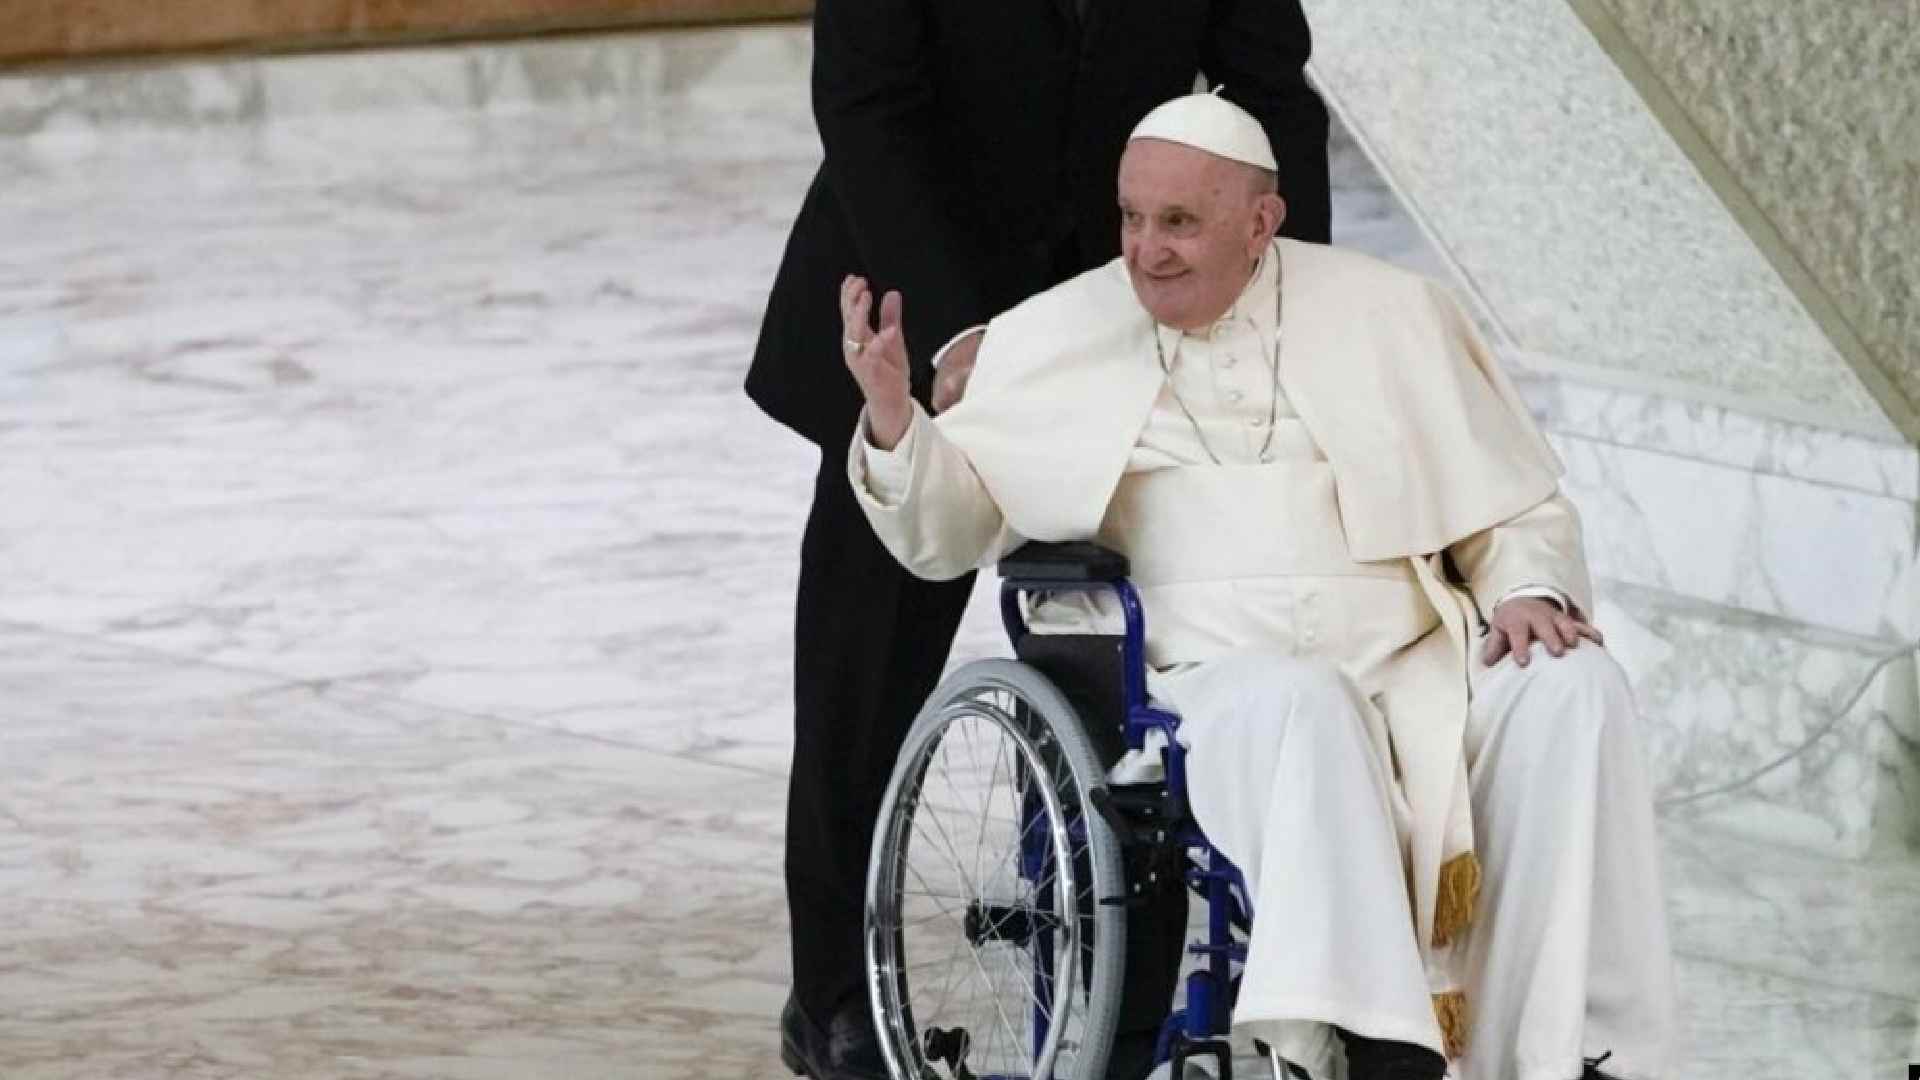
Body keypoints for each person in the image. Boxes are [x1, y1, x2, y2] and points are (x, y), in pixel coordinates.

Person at [840, 93, 1677, 1080]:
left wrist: (1528, 588)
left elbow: (1511, 511)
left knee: (1574, 688)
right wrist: (898, 423)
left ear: (1262, 223)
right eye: (1133, 218)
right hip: (1210, 676)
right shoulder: (1054, 336)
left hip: (1421, 659)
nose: (1147, 250)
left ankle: (1566, 1051)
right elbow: (952, 531)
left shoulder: (1387, 314)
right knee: (1303, 703)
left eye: (1181, 223)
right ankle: (1369, 1048)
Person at [747, 2, 1332, 1076]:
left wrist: (1299, 305)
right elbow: (867, 102)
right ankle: (832, 992)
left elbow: (1271, 91)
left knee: (1118, 656)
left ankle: (1117, 992)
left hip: (1120, 307)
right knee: (863, 676)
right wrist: (967, 329)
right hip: (910, 293)